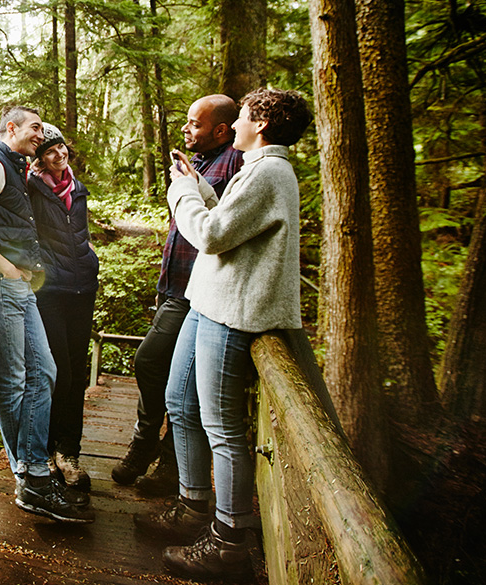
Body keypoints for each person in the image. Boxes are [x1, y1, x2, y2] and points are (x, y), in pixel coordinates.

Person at [137, 87, 311, 579]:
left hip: (233, 312)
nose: (234, 125)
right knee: (179, 401)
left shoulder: (271, 171)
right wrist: (201, 188)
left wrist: (181, 193)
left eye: (245, 117)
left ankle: (227, 540)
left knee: (222, 428)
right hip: (207, 300)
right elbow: (229, 222)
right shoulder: (256, 169)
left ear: (262, 125)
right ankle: (192, 507)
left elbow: (211, 235)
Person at [0, 105, 94, 523]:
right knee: (13, 381)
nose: (40, 134)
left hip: (17, 286)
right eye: (34, 128)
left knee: (44, 372)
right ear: (10, 128)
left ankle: (34, 473)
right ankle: (31, 479)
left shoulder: (16, 168)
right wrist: (6, 268)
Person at [111, 95, 246, 496]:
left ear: (220, 129)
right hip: (174, 285)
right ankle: (159, 453)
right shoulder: (201, 162)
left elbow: (218, 227)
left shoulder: (235, 164)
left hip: (198, 292)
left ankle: (159, 450)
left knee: (151, 362)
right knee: (166, 371)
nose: (187, 130)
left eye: (195, 124)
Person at [24, 123, 101, 494]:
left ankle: (69, 453)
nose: (60, 155)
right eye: (51, 151)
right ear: (39, 158)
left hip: (82, 288)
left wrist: (90, 262)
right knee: (60, 373)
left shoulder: (77, 188)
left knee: (78, 370)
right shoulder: (30, 187)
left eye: (62, 148)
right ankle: (47, 452)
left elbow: (80, 234)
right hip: (50, 290)